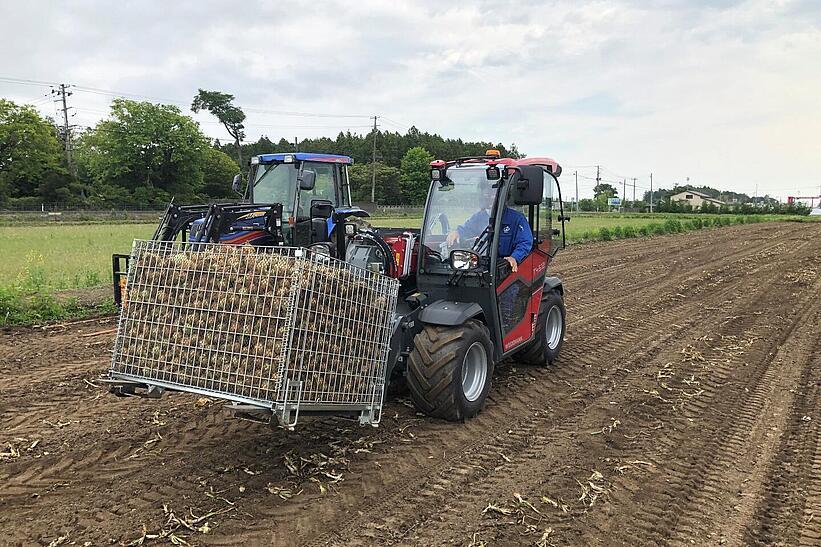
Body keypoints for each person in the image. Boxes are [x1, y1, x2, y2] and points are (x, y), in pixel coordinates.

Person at [445, 180, 534, 331]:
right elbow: (465, 229)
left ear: (504, 196)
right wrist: (456, 232)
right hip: (483, 266)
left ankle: (504, 328)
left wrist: (514, 257)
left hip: (505, 269)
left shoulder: (516, 219)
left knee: (506, 297)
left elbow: (525, 242)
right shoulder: (479, 217)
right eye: (485, 192)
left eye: (492, 192)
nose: (487, 196)